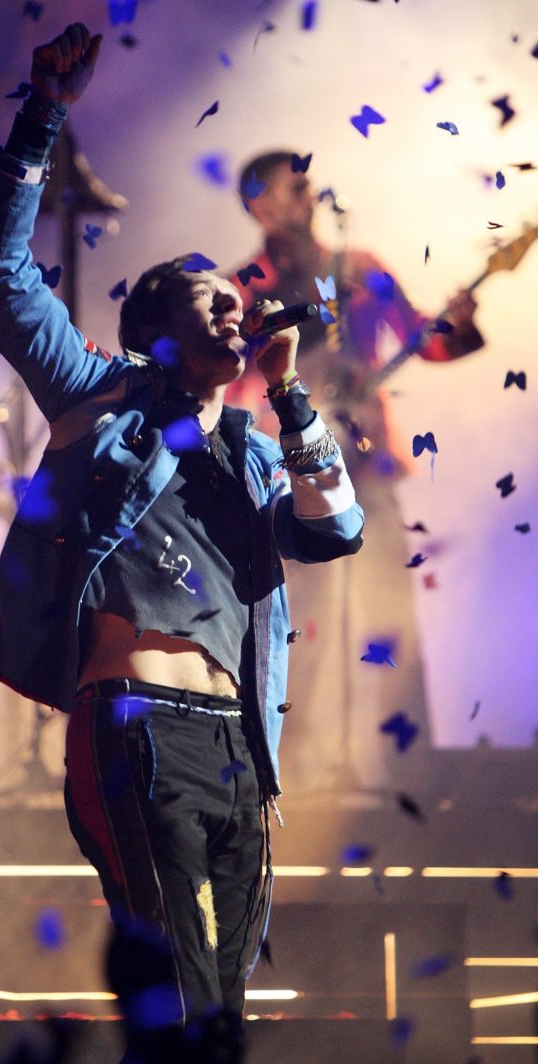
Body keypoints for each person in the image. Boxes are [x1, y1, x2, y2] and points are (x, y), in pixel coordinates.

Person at [0, 28, 363, 1060]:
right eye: (210, 295)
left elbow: (337, 527)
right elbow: (1, 273)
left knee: (219, 1014)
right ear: (156, 324)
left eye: (238, 300)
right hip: (135, 726)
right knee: (181, 992)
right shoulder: (97, 395)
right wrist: (43, 116)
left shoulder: (253, 448)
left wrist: (289, 394)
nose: (236, 304)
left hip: (239, 746)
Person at [227, 151, 484, 796]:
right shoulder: (245, 287)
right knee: (300, 623)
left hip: (367, 462)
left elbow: (426, 340)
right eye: (294, 184)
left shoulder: (362, 268)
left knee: (390, 614)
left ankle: (413, 776)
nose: (309, 190)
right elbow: (225, 379)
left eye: (308, 181)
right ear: (261, 205)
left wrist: (459, 322)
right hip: (293, 471)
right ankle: (292, 776)